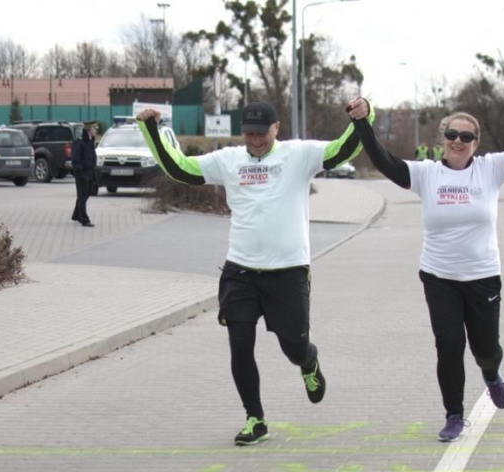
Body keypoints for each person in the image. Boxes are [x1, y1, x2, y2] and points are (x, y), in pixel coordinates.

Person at [136, 101, 371, 446]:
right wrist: (152, 131)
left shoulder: (299, 155)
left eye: (261, 133)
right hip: (240, 272)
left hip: (287, 273)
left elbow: (342, 150)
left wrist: (363, 118)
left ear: (276, 128)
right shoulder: (229, 160)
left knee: (294, 345)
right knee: (240, 346)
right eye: (248, 133)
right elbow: (182, 169)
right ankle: (255, 418)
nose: (255, 139)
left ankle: (308, 361)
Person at [347, 87, 504, 442]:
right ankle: (454, 415)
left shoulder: (490, 170)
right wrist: (364, 120)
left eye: (466, 136)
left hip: (482, 276)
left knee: (485, 349)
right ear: (442, 138)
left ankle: (491, 375)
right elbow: (384, 161)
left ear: (476, 143)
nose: (457, 141)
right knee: (448, 344)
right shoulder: (427, 174)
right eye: (451, 135)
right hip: (439, 276)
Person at [71, 121, 98, 227]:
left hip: (90, 172)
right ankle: (84, 219)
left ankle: (77, 214)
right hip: (82, 173)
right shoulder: (79, 142)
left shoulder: (90, 142)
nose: (96, 130)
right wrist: (80, 173)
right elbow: (76, 159)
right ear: (89, 130)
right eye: (94, 128)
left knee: (86, 195)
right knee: (82, 196)